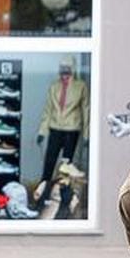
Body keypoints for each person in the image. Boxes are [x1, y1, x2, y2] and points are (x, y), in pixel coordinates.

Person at [33, 56, 89, 211]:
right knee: (48, 164)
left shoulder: (80, 87)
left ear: (73, 69)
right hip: (55, 128)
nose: (65, 72)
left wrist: (87, 134)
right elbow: (48, 110)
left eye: (68, 68)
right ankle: (41, 198)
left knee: (67, 167)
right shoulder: (54, 87)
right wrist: (42, 131)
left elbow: (86, 110)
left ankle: (65, 201)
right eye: (62, 68)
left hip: (72, 130)